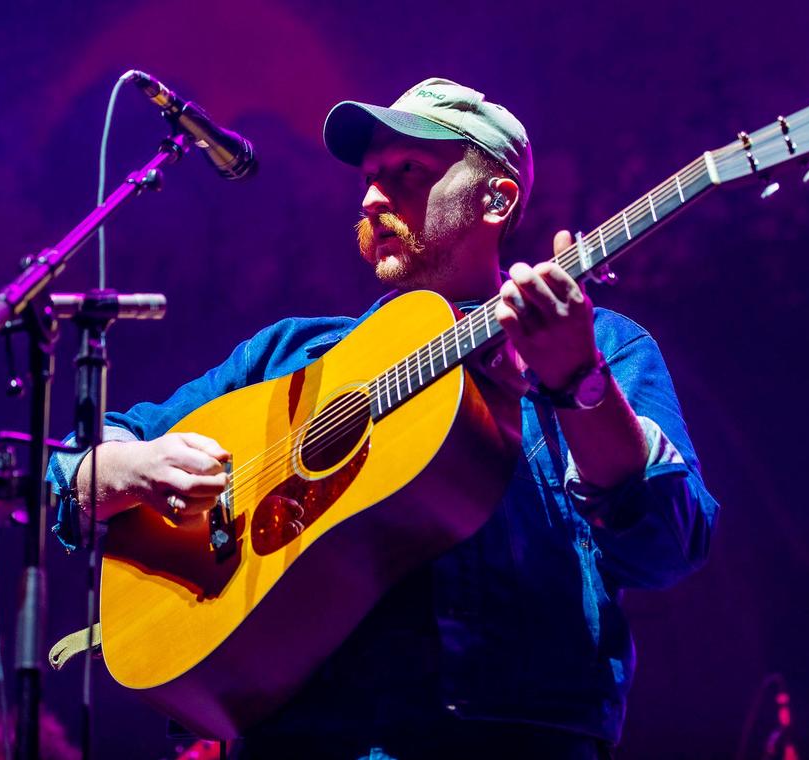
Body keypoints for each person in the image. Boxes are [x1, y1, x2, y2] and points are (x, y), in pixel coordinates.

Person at [48, 78, 719, 759]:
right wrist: (129, 467)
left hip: (513, 737)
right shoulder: (291, 353)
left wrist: (578, 380)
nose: (372, 197)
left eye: (406, 173)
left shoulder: (599, 345)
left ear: (497, 198)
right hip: (300, 737)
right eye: (369, 178)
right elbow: (76, 461)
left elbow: (665, 546)